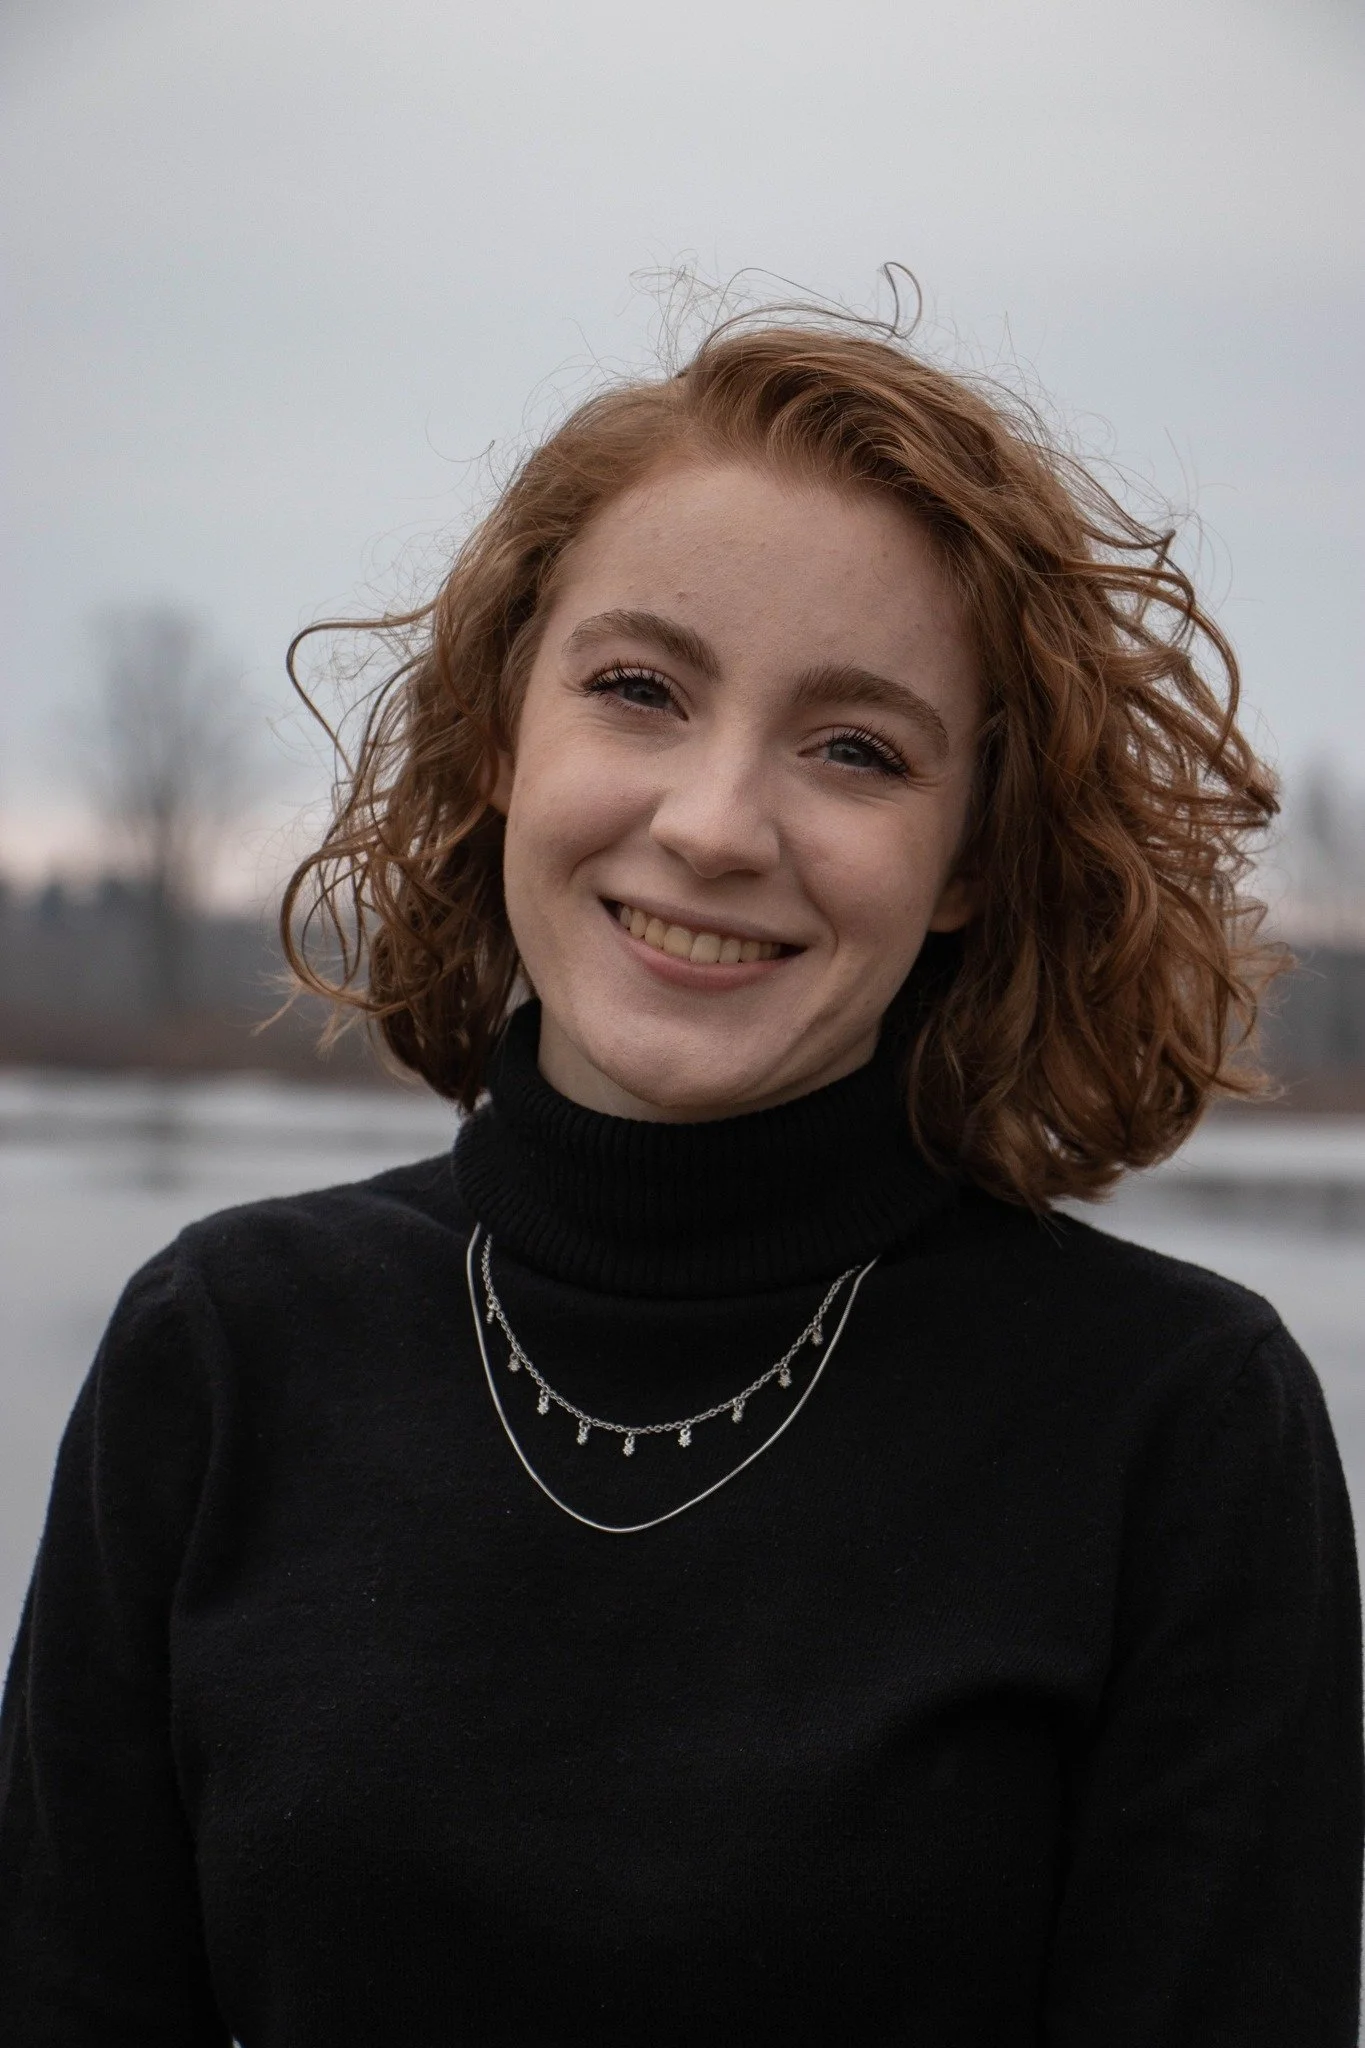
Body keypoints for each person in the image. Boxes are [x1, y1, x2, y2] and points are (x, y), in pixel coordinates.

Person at [1, 306, 1360, 2046]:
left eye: (856, 747)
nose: (717, 825)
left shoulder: (1175, 1428)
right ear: (506, 736)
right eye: (640, 691)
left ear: (962, 859)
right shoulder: (217, 1354)